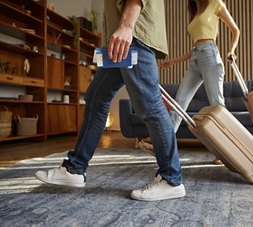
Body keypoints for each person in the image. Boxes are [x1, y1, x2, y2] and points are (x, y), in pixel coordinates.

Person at [34, 0, 186, 202]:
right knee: (96, 98)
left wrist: (126, 26)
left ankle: (172, 179)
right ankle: (75, 169)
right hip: (119, 41)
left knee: (150, 106)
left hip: (134, 36)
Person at [139, 0, 240, 163]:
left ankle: (224, 151)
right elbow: (195, 47)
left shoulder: (216, 3)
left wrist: (231, 50)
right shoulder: (195, 12)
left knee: (217, 105)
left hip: (210, 56)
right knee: (179, 103)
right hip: (195, 59)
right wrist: (173, 61)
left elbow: (235, 30)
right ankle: (162, 147)